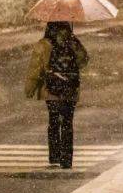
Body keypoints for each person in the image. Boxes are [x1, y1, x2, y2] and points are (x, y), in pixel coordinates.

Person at [25, 21, 89, 169]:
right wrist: (73, 42)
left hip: (51, 89)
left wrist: (30, 88)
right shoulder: (72, 41)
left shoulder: (43, 44)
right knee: (67, 122)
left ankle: (54, 155)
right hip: (69, 89)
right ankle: (66, 159)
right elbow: (83, 61)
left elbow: (35, 68)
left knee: (54, 121)